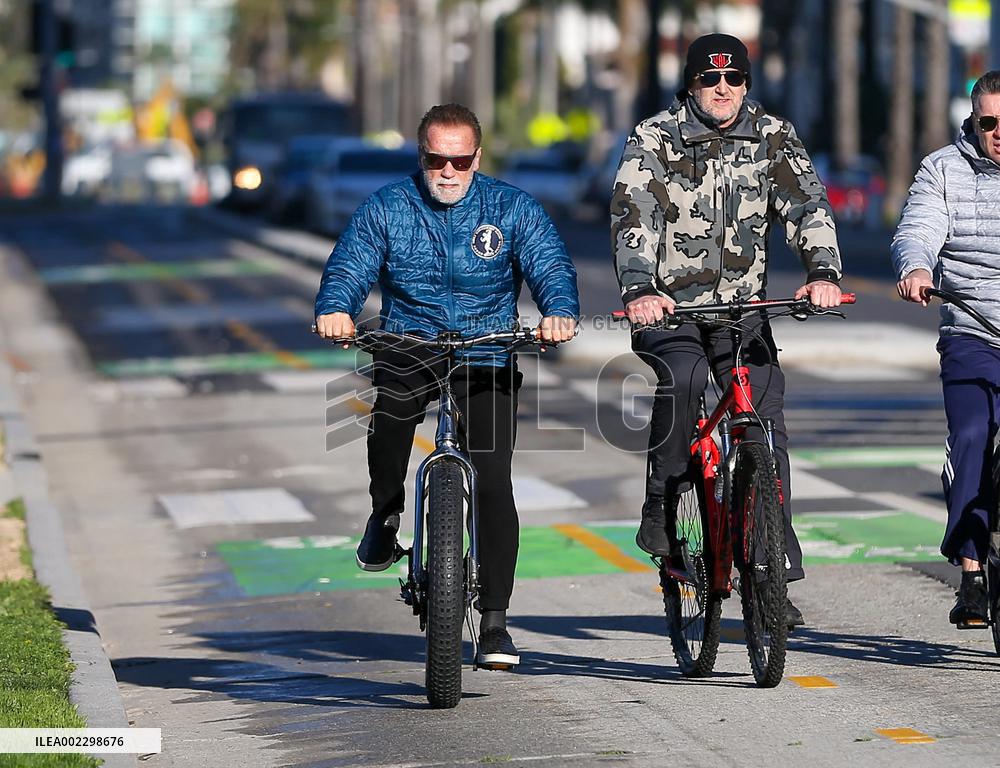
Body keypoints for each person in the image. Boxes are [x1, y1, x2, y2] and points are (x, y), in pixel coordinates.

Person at [314, 103, 579, 668]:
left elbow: (550, 263)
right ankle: (384, 515)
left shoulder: (512, 208)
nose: (449, 171)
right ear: (422, 155)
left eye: (461, 160)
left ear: (477, 157)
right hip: (410, 343)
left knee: (494, 480)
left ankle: (497, 625)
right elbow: (350, 264)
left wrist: (559, 311)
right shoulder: (386, 207)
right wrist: (336, 308)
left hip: (488, 350)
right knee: (389, 425)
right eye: (438, 159)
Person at [610, 33, 844, 629]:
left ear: (746, 83)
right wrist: (640, 290)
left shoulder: (772, 136)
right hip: (672, 312)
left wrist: (821, 272)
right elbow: (633, 215)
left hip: (744, 310)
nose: (722, 89)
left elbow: (807, 205)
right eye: (710, 79)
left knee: (766, 419)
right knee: (683, 381)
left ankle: (772, 572)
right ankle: (663, 504)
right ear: (690, 83)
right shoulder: (654, 138)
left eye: (734, 79)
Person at [892, 70, 1000, 629]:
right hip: (974, 330)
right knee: (974, 437)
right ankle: (973, 574)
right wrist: (915, 266)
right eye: (990, 122)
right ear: (974, 121)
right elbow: (919, 227)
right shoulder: (942, 169)